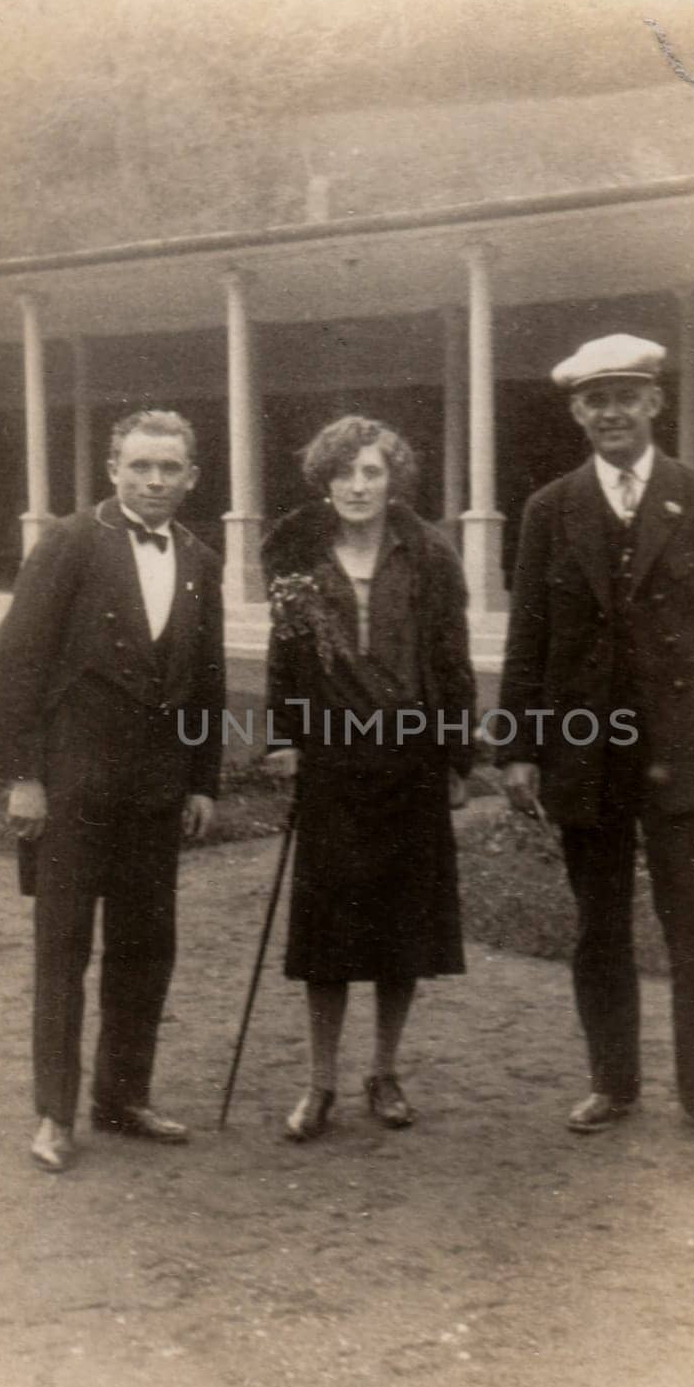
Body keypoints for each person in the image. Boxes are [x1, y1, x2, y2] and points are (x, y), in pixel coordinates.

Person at [497, 334, 694, 1149]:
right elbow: (529, 636)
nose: (611, 412)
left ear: (654, 403)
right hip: (588, 749)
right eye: (594, 400)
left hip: (680, 746)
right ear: (577, 413)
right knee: (598, 926)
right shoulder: (551, 508)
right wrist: (517, 745)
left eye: (625, 396)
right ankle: (612, 1084)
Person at [0, 409, 226, 1173]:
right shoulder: (70, 541)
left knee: (146, 946)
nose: (155, 481)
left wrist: (201, 780)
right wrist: (24, 777)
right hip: (72, 785)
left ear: (191, 477)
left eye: (170, 469)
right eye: (140, 467)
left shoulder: (198, 557)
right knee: (63, 948)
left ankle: (122, 1097)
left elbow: (207, 683)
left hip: (156, 792)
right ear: (114, 470)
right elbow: (15, 661)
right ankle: (55, 1115)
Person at [262, 414, 476, 1141]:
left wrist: (455, 755)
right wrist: (284, 739)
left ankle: (383, 1073)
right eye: (344, 472)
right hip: (332, 764)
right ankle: (319, 1085)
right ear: (325, 479)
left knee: (400, 929)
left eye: (371, 472)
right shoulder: (295, 552)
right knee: (327, 934)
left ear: (393, 479)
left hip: (411, 762)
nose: (357, 486)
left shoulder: (430, 556)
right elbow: (285, 658)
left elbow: (451, 661)